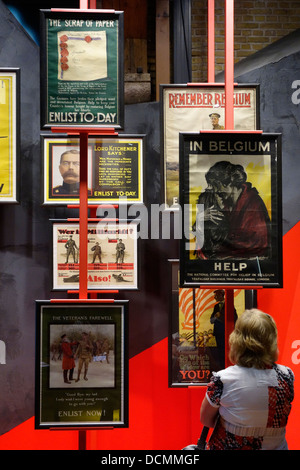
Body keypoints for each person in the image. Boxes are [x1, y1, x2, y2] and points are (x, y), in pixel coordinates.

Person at [200, 309, 294, 450]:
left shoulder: (223, 379)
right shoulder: (287, 375)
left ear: (237, 340)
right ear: (272, 340)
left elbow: (206, 419)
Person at [204, 161, 271, 259]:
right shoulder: (225, 203)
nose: (216, 191)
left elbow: (258, 244)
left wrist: (221, 248)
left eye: (217, 185)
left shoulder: (253, 202)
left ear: (229, 183)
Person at [210, 289, 237, 370]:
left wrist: (221, 316)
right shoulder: (216, 306)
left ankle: (228, 367)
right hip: (218, 333)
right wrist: (215, 317)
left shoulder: (229, 305)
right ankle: (222, 367)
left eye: (216, 295)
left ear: (221, 295)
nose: (215, 297)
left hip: (227, 333)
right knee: (220, 352)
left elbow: (234, 318)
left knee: (228, 351)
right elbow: (211, 320)